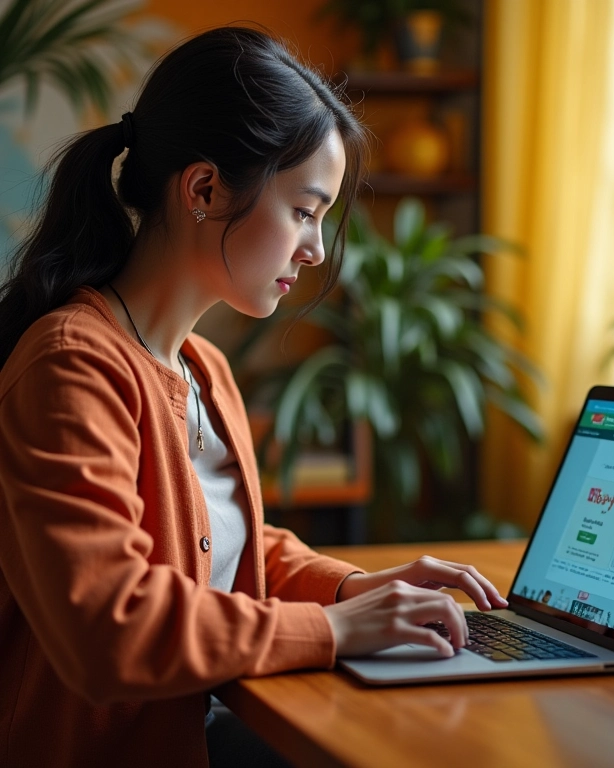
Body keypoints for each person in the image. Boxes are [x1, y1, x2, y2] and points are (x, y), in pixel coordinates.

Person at [0, 25, 508, 768]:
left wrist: (358, 590)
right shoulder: (73, 366)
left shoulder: (203, 366)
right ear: (204, 188)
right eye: (305, 210)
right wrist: (338, 631)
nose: (316, 249)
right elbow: (110, 627)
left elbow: (230, 551)